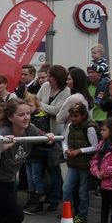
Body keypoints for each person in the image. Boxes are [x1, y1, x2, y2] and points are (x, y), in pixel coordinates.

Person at [37, 65, 70, 211]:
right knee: (45, 167)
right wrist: (42, 105)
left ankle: (55, 198)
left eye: (51, 76)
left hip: (56, 133)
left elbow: (57, 111)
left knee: (54, 166)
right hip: (41, 132)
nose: (48, 79)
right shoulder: (45, 86)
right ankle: (51, 192)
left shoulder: (66, 91)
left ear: (58, 77)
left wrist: (40, 105)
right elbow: (36, 101)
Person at [61, 102, 98, 223]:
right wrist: (66, 150)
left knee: (83, 191)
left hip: (85, 164)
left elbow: (95, 146)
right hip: (73, 163)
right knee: (66, 188)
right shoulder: (70, 126)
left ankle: (82, 215)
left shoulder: (90, 128)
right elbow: (64, 141)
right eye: (71, 116)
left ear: (83, 115)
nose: (73, 119)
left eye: (76, 116)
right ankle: (68, 212)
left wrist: (79, 151)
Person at [22, 93, 49, 214]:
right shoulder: (26, 118)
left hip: (37, 152)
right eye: (26, 105)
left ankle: (38, 200)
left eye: (31, 105)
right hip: (28, 152)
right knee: (29, 178)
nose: (28, 108)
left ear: (36, 106)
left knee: (36, 176)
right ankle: (31, 198)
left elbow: (41, 134)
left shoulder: (40, 118)